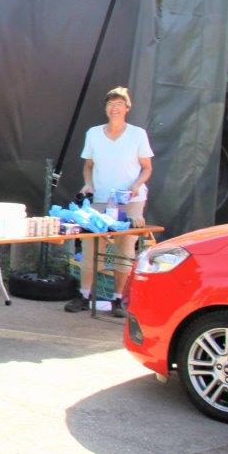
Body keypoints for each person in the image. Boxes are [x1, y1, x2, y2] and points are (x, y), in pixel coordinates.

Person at [65, 86, 153, 317]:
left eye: (119, 104)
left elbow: (146, 168)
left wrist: (135, 187)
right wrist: (88, 184)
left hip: (129, 201)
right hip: (101, 200)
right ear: (106, 108)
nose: (114, 108)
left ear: (127, 108)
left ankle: (118, 300)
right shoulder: (93, 133)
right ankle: (84, 295)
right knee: (91, 245)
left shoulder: (137, 134)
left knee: (124, 248)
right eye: (110, 104)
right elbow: (88, 166)